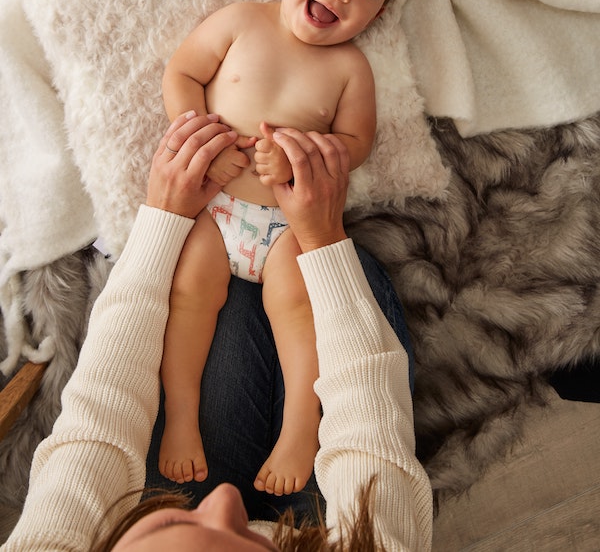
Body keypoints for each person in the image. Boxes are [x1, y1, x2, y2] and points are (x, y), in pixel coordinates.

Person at [4, 113, 432, 552]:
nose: (224, 501)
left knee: (200, 288)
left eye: (160, 527)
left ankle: (259, 427)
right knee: (327, 274)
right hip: (274, 237)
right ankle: (300, 422)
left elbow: (101, 413)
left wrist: (163, 217)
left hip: (226, 234)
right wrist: (324, 240)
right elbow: (370, 429)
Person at [158, 0, 411, 495]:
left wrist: (308, 153)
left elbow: (356, 141)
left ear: (375, 16)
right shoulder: (242, 21)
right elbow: (183, 71)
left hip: (287, 228)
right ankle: (182, 421)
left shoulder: (350, 68)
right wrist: (199, 135)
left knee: (300, 311)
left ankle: (302, 424)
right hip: (214, 210)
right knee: (188, 297)